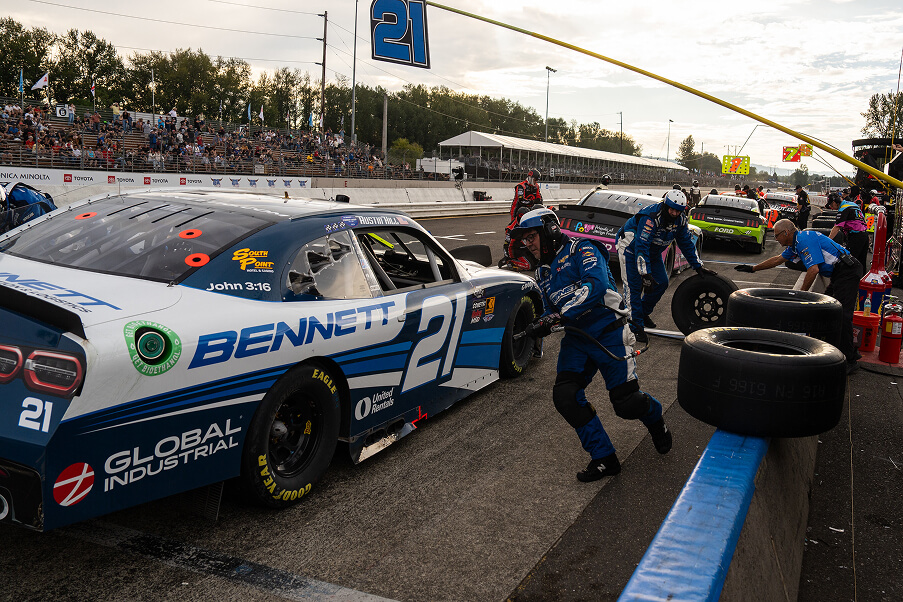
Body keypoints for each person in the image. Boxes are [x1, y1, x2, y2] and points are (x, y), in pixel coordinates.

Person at [514, 207, 672, 481]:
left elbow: (595, 286)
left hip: (608, 331)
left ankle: (656, 418)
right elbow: (551, 308)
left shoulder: (583, 248)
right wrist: (538, 323)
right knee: (565, 397)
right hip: (577, 339)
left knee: (626, 404)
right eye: (525, 240)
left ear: (549, 231)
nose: (528, 245)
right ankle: (605, 459)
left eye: (531, 237)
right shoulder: (543, 271)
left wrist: (558, 317)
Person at [734, 219, 863, 373]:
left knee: (842, 314)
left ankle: (850, 359)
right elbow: (777, 260)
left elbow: (813, 270)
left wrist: (799, 295)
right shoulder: (795, 244)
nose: (775, 239)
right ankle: (842, 349)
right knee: (828, 311)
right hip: (838, 274)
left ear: (786, 233)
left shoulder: (803, 240)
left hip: (847, 271)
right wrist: (753, 268)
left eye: (776, 236)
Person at [616, 189, 715, 342]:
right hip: (630, 248)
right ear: (665, 205)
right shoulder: (651, 217)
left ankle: (641, 313)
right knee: (634, 287)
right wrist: (645, 274)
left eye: (678, 211)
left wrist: (698, 266)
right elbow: (641, 246)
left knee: (661, 282)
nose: (675, 213)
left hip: (652, 252)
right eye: (672, 209)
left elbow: (687, 244)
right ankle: (634, 326)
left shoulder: (681, 220)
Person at [500, 168, 544, 270]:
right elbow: (521, 200)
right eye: (535, 179)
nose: (536, 182)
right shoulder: (521, 186)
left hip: (528, 211)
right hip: (517, 212)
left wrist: (534, 202)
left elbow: (540, 200)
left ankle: (526, 247)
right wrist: (533, 202)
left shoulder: (536, 186)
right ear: (530, 177)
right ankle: (512, 253)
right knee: (516, 229)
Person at [825, 192, 869, 268]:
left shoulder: (843, 208)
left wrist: (827, 241)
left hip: (856, 236)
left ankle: (850, 279)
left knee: (849, 260)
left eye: (831, 204)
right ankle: (860, 278)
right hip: (864, 234)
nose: (831, 207)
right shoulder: (852, 204)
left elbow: (837, 227)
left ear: (836, 202)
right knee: (861, 261)